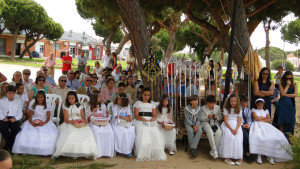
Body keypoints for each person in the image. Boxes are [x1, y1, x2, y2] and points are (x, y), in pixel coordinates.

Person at [52, 91, 98, 159]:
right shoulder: (66, 106)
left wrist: (84, 121)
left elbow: (82, 117)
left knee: (87, 133)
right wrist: (72, 122)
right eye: (69, 98)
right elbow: (65, 119)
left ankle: (84, 151)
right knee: (70, 133)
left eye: (72, 98)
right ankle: (70, 151)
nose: (71, 100)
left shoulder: (80, 105)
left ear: (75, 98)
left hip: (79, 122)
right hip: (70, 122)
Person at [12, 90, 58, 156]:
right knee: (27, 132)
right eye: (38, 97)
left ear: (44, 98)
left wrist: (43, 123)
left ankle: (43, 150)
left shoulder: (47, 106)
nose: (40, 99)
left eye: (41, 97)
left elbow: (48, 118)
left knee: (47, 133)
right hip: (34, 119)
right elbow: (30, 116)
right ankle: (27, 149)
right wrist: (31, 122)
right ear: (36, 98)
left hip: (44, 120)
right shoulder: (33, 106)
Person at [250, 98, 293, 164]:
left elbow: (268, 120)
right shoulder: (254, 110)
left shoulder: (266, 111)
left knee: (275, 136)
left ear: (263, 105)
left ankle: (271, 155)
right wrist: (263, 118)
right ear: (256, 105)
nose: (259, 106)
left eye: (261, 105)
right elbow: (255, 118)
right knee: (260, 137)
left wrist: (261, 118)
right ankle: (259, 155)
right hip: (257, 125)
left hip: (266, 125)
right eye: (258, 105)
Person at [133, 87, 167, 161]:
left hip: (150, 120)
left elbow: (154, 115)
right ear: (142, 95)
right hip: (140, 120)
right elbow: (136, 115)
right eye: (145, 95)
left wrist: (152, 119)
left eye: (148, 95)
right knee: (143, 130)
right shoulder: (138, 103)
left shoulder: (152, 103)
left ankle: (153, 151)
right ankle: (143, 152)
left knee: (155, 130)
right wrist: (143, 119)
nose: (146, 97)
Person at [87, 90, 114, 158]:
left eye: (100, 96)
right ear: (94, 97)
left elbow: (106, 116)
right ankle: (99, 152)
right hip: (94, 123)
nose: (100, 98)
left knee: (109, 131)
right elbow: (88, 119)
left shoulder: (103, 105)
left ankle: (107, 152)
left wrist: (107, 114)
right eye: (99, 96)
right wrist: (93, 112)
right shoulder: (89, 105)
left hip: (103, 122)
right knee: (97, 132)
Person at [218, 94, 243, 165]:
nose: (233, 102)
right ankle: (227, 157)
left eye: (235, 101)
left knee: (238, 137)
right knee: (229, 136)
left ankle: (238, 157)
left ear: (237, 101)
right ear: (229, 101)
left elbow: (239, 120)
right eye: (232, 101)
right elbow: (225, 120)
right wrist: (231, 129)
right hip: (227, 124)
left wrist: (236, 129)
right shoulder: (226, 108)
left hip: (236, 125)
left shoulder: (239, 109)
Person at [0, 85, 22, 151]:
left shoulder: (18, 102)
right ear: (6, 93)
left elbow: (20, 113)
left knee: (17, 129)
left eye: (13, 93)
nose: (11, 95)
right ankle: (10, 143)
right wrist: (3, 118)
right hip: (4, 118)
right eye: (9, 93)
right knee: (2, 127)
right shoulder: (1, 101)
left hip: (14, 118)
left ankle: (8, 145)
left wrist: (15, 118)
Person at [276, 71, 297, 135]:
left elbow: (295, 94)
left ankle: (289, 138)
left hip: (291, 105)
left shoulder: (295, 84)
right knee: (282, 121)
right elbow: (282, 93)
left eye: (290, 78)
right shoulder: (281, 84)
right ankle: (281, 138)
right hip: (283, 105)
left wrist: (286, 95)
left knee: (291, 121)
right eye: (287, 78)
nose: (288, 80)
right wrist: (287, 85)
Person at [200, 95, 222, 159]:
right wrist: (207, 117)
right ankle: (215, 151)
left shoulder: (217, 107)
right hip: (205, 123)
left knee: (219, 132)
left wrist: (216, 117)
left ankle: (213, 150)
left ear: (214, 103)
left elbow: (220, 118)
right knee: (210, 132)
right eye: (209, 103)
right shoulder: (203, 108)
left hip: (214, 123)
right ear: (206, 102)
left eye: (212, 103)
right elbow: (201, 118)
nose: (210, 105)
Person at [239, 94, 254, 163]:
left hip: (246, 125)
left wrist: (248, 124)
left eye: (246, 102)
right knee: (246, 136)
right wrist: (242, 125)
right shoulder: (238, 109)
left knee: (252, 135)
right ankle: (246, 152)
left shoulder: (248, 110)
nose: (245, 104)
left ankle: (251, 151)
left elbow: (249, 119)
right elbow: (237, 119)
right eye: (243, 102)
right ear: (240, 102)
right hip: (240, 125)